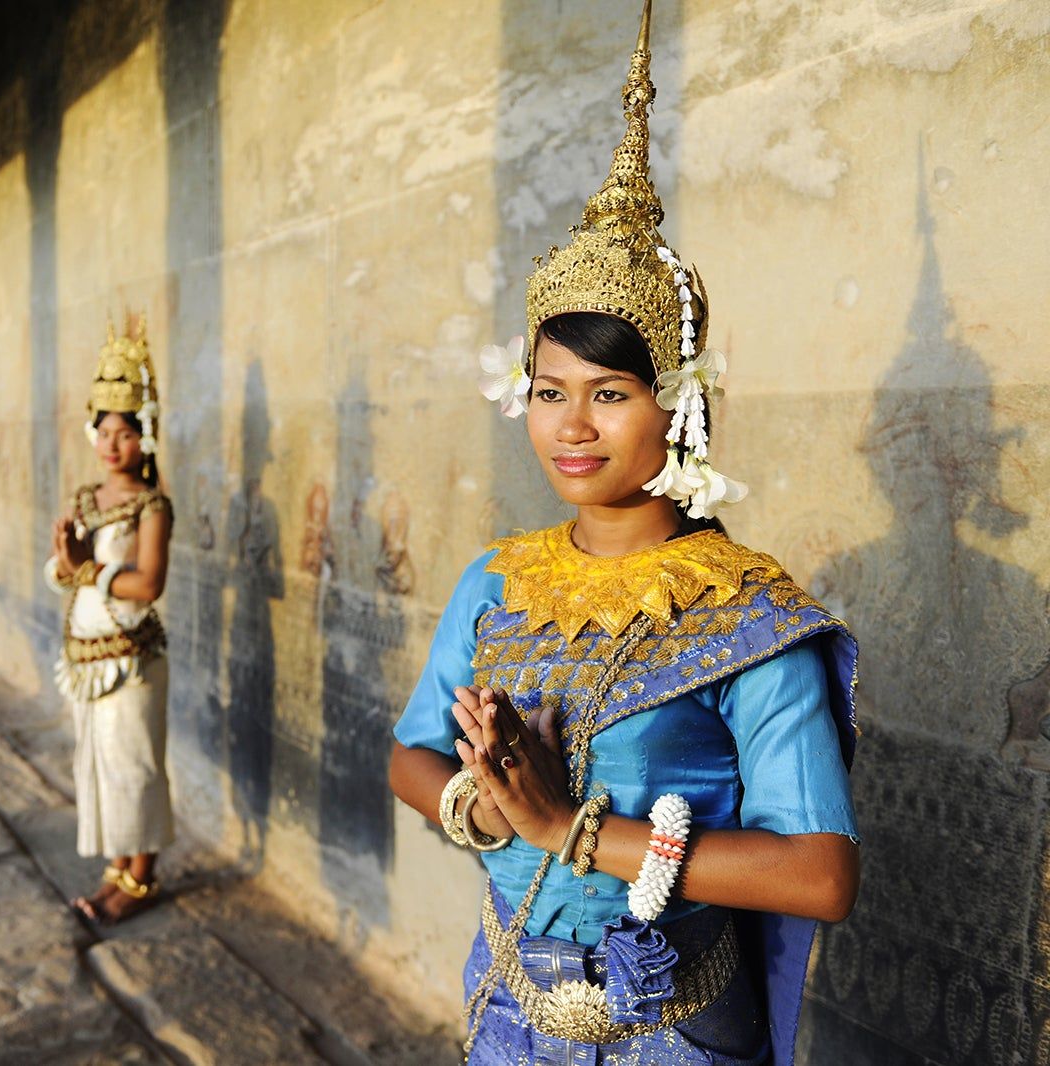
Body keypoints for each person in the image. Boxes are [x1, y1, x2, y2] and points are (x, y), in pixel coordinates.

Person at [387, 6, 859, 1063]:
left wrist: (569, 831)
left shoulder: (746, 609)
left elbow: (820, 874)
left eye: (609, 392)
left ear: (677, 405)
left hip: (672, 1027)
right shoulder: (495, 582)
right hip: (509, 1006)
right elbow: (408, 756)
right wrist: (483, 804)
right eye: (549, 390)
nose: (570, 425)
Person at [47, 315, 176, 924]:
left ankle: (141, 879)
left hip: (132, 659)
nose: (112, 444)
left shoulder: (153, 505)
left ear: (145, 436)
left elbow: (146, 586)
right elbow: (62, 567)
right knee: (98, 763)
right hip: (84, 657)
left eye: (125, 432)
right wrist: (68, 565)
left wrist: (85, 569)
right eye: (103, 430)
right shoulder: (82, 498)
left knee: (134, 766)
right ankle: (115, 869)